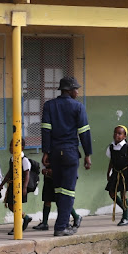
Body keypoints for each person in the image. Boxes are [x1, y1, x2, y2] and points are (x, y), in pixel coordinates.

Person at [41, 76, 92, 237]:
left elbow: (46, 130)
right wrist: (87, 154)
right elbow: (84, 132)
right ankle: (61, 227)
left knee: (58, 191)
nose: (77, 92)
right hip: (70, 152)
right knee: (68, 192)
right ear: (69, 90)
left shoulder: (49, 106)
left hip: (55, 153)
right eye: (76, 89)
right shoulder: (78, 107)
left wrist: (46, 152)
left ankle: (61, 224)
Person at [105, 125, 128, 226]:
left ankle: (125, 218)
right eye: (115, 133)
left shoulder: (127, 147)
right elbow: (112, 161)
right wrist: (108, 172)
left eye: (119, 133)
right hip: (115, 172)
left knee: (123, 194)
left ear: (124, 136)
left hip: (125, 173)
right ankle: (126, 209)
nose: (116, 135)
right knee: (111, 192)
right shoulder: (111, 147)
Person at [2, 139, 33, 235]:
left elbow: (27, 174)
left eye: (13, 146)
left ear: (22, 148)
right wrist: (1, 185)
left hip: (19, 186)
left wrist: (24, 187)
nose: (11, 148)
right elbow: (9, 173)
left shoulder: (24, 160)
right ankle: (25, 217)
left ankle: (18, 226)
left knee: (15, 205)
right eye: (10, 146)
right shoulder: (12, 159)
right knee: (11, 205)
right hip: (12, 185)